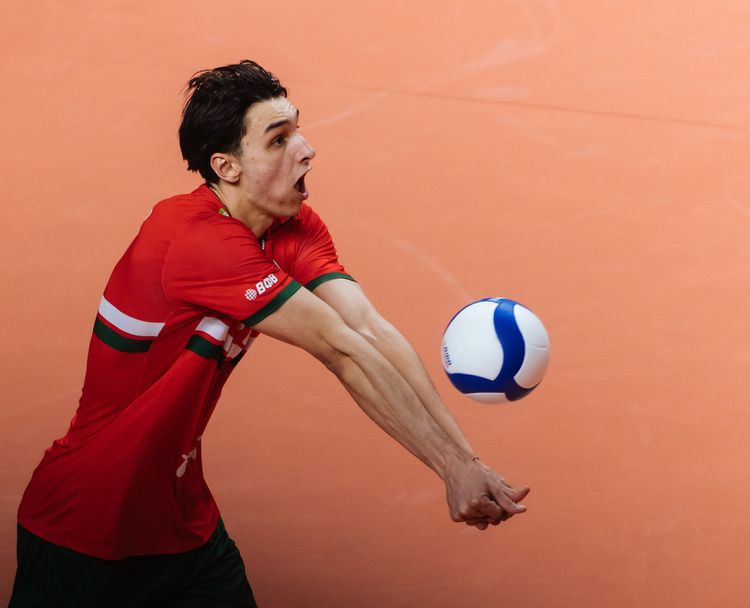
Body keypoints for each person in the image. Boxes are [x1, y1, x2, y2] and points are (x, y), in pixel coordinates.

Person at [9, 60, 529, 607]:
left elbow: (368, 329)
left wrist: (465, 462)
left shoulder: (292, 226)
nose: (306, 149)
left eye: (297, 130)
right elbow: (341, 349)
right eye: (278, 140)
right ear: (227, 167)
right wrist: (449, 468)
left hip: (181, 522)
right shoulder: (191, 239)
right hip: (86, 525)